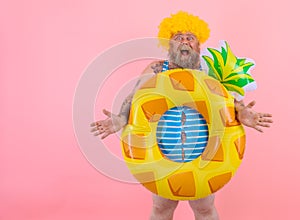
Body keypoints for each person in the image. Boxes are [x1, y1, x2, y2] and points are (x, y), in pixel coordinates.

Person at [90, 11, 273, 220]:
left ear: (198, 45)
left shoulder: (209, 70)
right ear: (170, 45)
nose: (184, 42)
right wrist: (121, 118)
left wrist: (243, 113)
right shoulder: (157, 69)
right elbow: (135, 97)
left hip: (203, 152)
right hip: (165, 152)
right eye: (178, 38)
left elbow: (227, 101)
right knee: (161, 208)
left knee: (204, 209)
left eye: (190, 38)